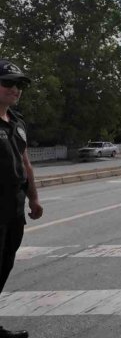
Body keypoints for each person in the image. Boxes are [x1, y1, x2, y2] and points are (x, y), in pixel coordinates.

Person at [0, 59, 43, 338]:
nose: (16, 89)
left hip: (13, 209)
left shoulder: (17, 122)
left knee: (4, 267)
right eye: (8, 83)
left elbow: (26, 163)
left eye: (19, 85)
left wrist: (33, 199)